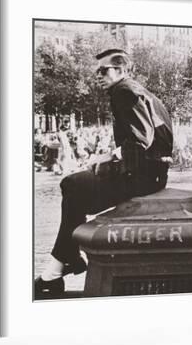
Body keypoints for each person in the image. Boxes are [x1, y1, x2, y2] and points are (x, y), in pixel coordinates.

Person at [35, 49, 174, 298]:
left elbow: (141, 139)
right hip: (153, 173)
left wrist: (108, 158)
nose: (98, 75)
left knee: (71, 185)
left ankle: (63, 263)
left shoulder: (124, 91)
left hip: (142, 176)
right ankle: (64, 261)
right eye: (97, 70)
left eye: (103, 70)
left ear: (120, 70)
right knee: (76, 187)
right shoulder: (141, 91)